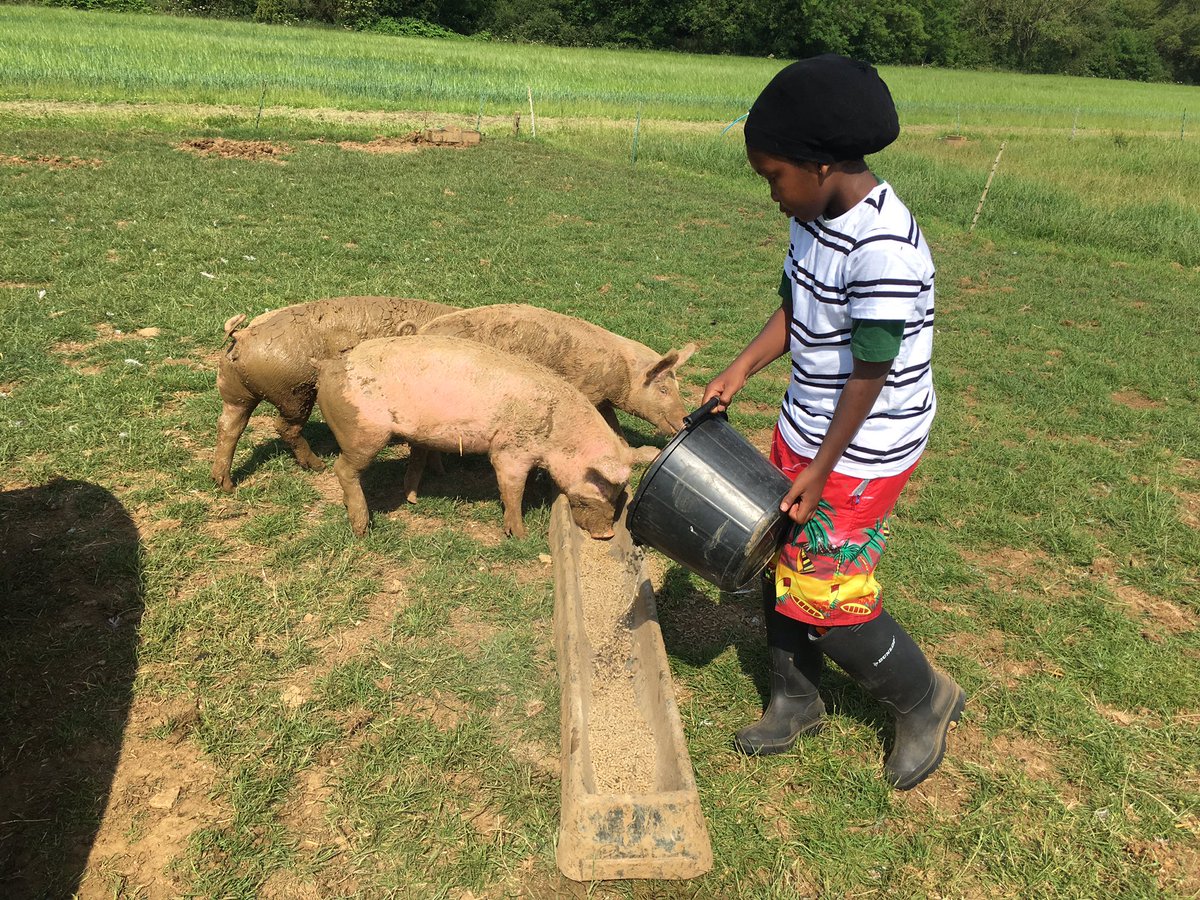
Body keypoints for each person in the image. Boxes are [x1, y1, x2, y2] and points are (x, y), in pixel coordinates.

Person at [702, 54, 964, 791]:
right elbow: (796, 309)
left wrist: (821, 469)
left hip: (862, 448)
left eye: (774, 178)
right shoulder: (815, 219)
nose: (773, 195)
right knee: (778, 550)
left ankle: (924, 698)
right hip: (807, 421)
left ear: (820, 167)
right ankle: (796, 698)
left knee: (829, 592)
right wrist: (739, 369)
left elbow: (871, 371)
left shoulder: (884, 246)